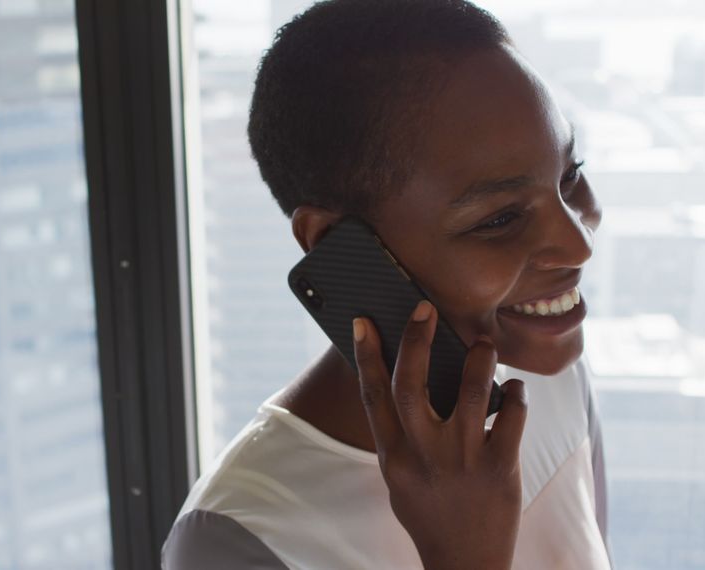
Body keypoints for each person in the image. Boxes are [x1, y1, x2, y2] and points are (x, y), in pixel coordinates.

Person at [163, 0, 613, 567]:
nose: (578, 245)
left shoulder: (542, 366)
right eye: (499, 219)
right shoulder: (238, 539)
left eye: (569, 175)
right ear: (334, 242)